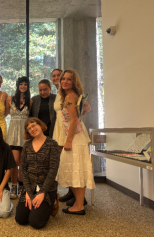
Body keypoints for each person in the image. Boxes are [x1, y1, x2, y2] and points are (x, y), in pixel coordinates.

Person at [56, 69, 95, 215]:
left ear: (74, 82)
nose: (65, 81)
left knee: (74, 172)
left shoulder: (70, 97)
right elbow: (79, 115)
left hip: (75, 139)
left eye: (69, 79)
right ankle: (79, 204)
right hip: (77, 138)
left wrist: (68, 141)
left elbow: (73, 120)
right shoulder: (73, 96)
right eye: (63, 79)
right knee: (74, 172)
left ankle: (79, 206)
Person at [15, 117, 60, 229]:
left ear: (40, 125)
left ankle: (54, 200)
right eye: (29, 128)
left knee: (35, 222)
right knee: (21, 219)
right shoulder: (27, 145)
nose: (32, 129)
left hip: (46, 187)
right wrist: (29, 193)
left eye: (34, 125)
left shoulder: (52, 144)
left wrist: (42, 192)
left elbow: (53, 170)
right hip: (30, 186)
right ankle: (36, 203)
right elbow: (23, 169)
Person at [6, 76, 32, 199]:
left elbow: (31, 118)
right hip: (12, 134)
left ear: (28, 87)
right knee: (14, 162)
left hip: (25, 135)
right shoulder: (10, 99)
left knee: (23, 163)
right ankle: (13, 186)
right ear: (18, 85)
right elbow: (4, 113)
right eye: (21, 84)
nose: (23, 86)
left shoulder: (30, 101)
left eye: (25, 84)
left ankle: (22, 187)